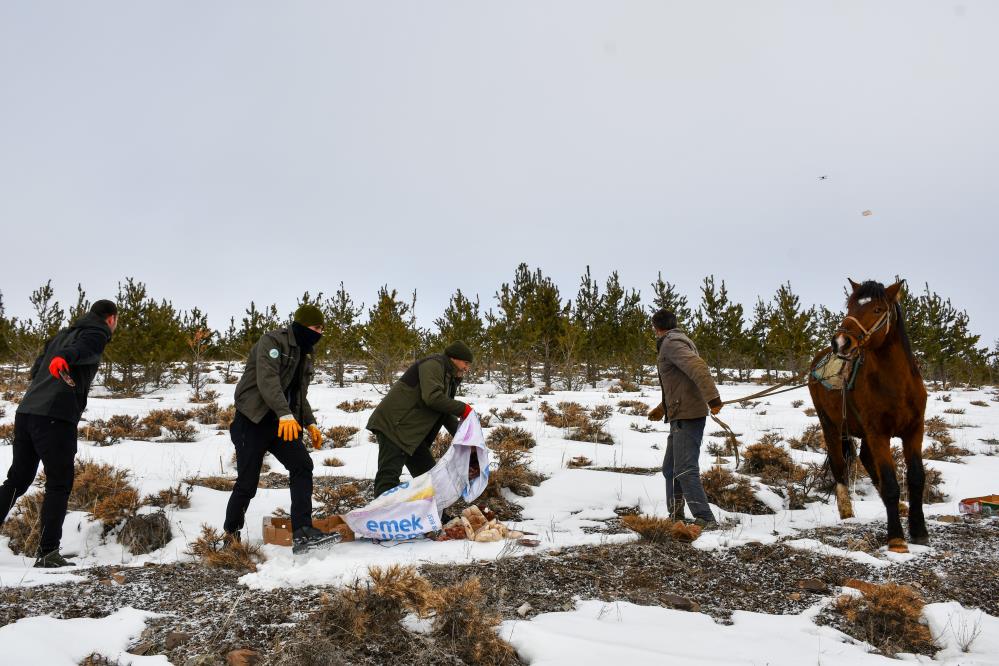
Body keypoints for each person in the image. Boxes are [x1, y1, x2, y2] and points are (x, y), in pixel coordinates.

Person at [0, 300, 118, 567]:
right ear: (111, 319)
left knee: (17, 480)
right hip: (54, 416)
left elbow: (36, 369)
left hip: (27, 411)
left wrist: (60, 361)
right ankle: (48, 552)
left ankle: (47, 550)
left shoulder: (63, 334)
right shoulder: (97, 332)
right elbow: (82, 349)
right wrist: (65, 360)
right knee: (59, 483)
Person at [223, 304, 337, 553]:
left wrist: (309, 422)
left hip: (281, 424)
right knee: (247, 483)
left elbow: (298, 394)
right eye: (316, 328)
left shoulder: (305, 355)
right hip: (252, 421)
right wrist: (285, 415)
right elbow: (268, 381)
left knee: (302, 465)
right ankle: (230, 536)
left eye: (322, 329)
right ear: (302, 325)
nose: (320, 333)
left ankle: (303, 532)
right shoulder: (272, 342)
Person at [367, 341, 475, 498]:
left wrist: (465, 437)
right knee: (388, 480)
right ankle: (379, 519)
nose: (467, 368)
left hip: (412, 434)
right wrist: (463, 409)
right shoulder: (433, 365)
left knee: (431, 480)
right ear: (454, 358)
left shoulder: (448, 377)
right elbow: (432, 398)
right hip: (394, 426)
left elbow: (443, 412)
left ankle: (437, 519)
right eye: (466, 363)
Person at [647, 309, 724, 528]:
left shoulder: (671, 344)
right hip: (680, 413)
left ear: (656, 327)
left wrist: (714, 399)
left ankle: (705, 519)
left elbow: (698, 368)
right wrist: (663, 408)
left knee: (684, 468)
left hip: (687, 416)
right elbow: (683, 383)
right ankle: (676, 517)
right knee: (670, 469)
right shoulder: (679, 341)